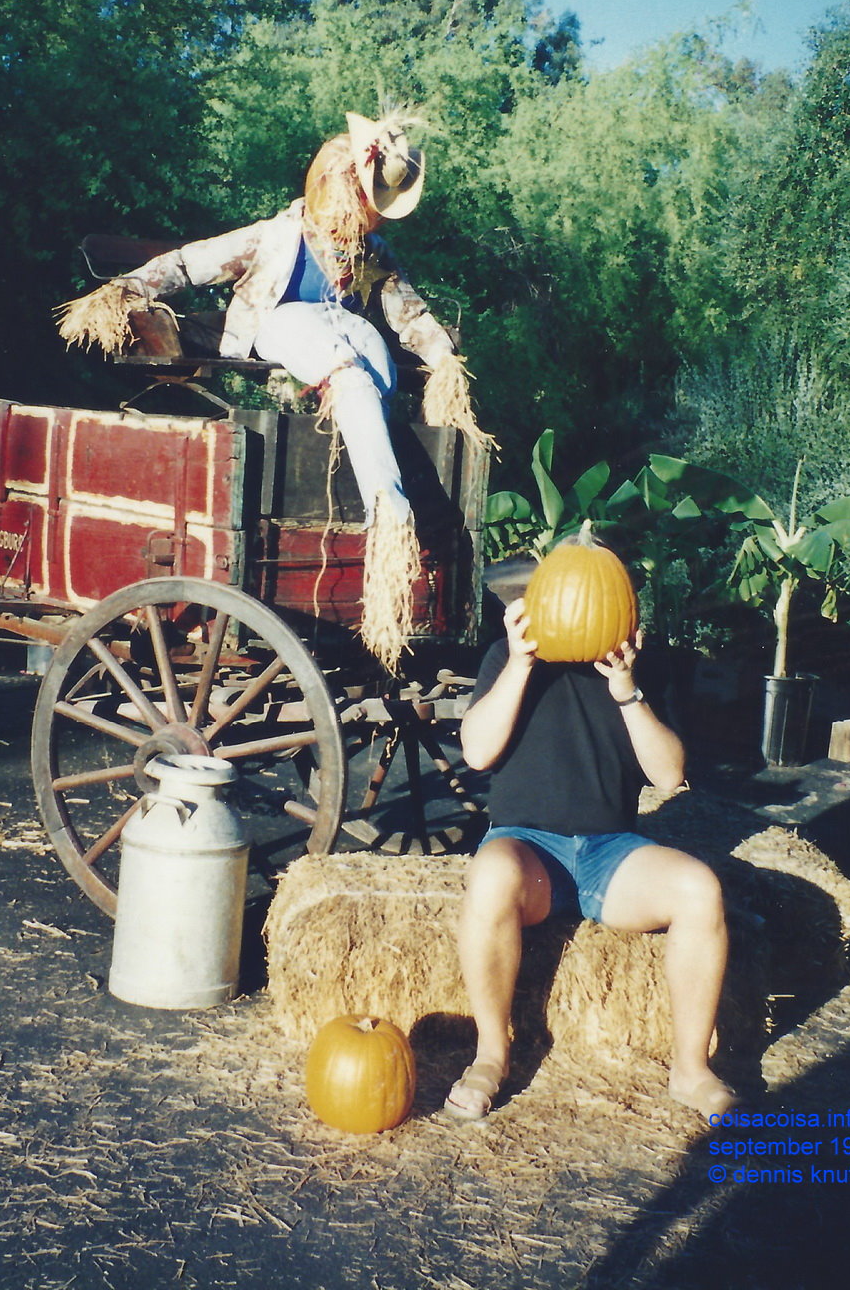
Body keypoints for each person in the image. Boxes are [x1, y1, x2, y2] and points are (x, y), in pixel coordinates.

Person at [57, 111, 489, 672]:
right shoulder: (276, 237)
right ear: (343, 189)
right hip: (285, 331)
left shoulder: (372, 255)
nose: (377, 220)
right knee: (350, 372)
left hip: (344, 335)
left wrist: (444, 359)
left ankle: (372, 483)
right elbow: (193, 263)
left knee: (369, 368)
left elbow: (409, 314)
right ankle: (390, 515)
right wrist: (129, 288)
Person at [445, 596, 738, 1123]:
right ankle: (491, 1055)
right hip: (527, 849)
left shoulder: (643, 671)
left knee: (700, 888)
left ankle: (691, 1071)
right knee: (490, 874)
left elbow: (670, 776)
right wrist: (519, 663)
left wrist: (627, 693)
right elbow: (478, 753)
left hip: (610, 851)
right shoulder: (504, 658)